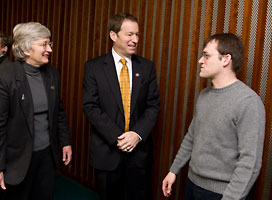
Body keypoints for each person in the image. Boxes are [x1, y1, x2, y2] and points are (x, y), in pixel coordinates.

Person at [162, 33, 265, 200]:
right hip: (192, 184)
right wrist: (173, 170)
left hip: (221, 194)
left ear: (225, 59)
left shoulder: (248, 102)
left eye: (206, 56)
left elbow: (250, 163)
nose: (200, 61)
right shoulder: (204, 95)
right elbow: (192, 137)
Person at [83, 13, 160, 200]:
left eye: (137, 35)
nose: (135, 40)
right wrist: (118, 137)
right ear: (113, 35)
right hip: (107, 152)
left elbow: (153, 106)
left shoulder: (147, 67)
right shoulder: (94, 67)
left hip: (139, 153)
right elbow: (90, 107)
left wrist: (136, 135)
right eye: (129, 35)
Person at [0, 22, 72, 200]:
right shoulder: (6, 76)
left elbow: (58, 112)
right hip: (17, 159)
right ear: (25, 50)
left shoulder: (52, 73)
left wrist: (65, 142)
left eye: (50, 44)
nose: (49, 49)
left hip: (47, 155)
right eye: (44, 44)